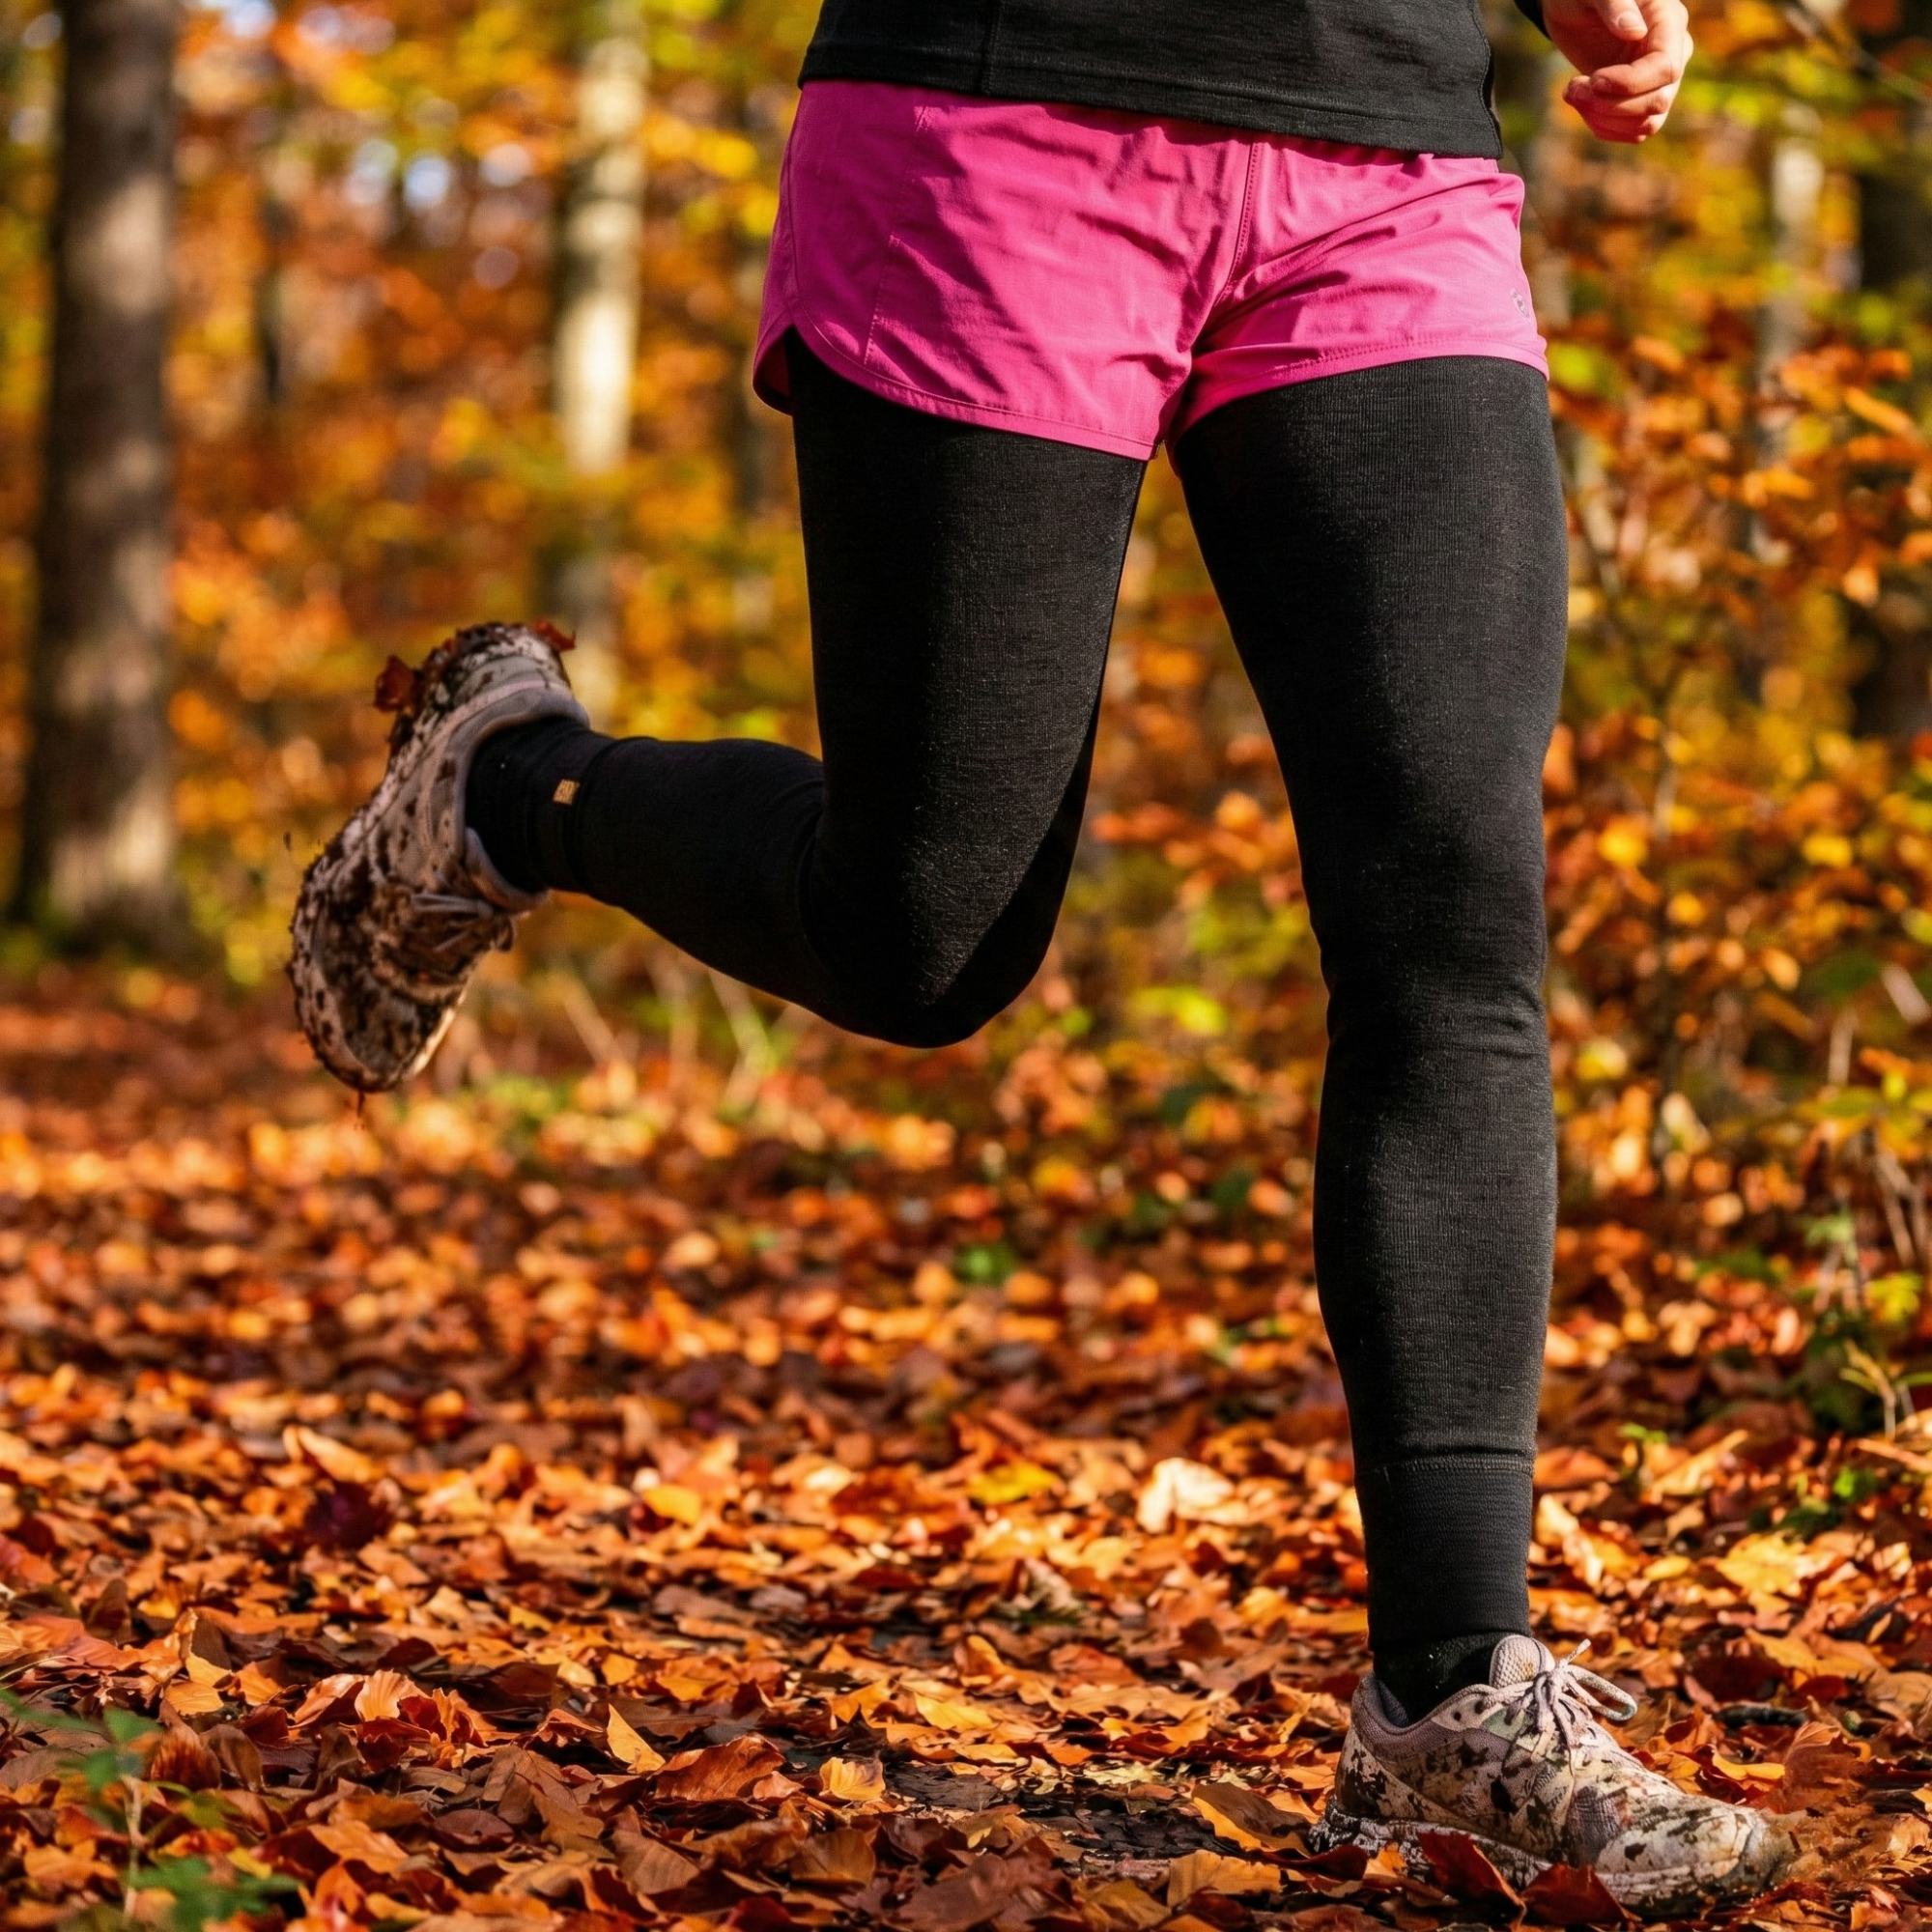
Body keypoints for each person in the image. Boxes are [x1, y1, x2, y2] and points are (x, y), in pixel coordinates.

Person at [290, 0, 1795, 1912]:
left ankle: (1452, 1691)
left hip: (1386, 157)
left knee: (1452, 908)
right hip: (993, 108)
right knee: (927, 935)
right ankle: (516, 791)